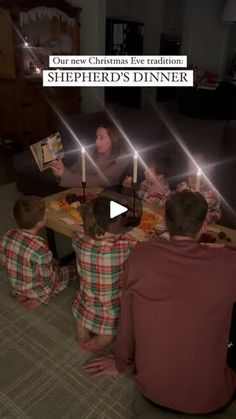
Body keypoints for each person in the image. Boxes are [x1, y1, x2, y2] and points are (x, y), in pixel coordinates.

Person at [83, 191, 236, 416]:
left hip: (150, 389)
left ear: (164, 219)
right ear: (205, 224)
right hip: (210, 399)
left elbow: (127, 320)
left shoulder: (140, 254)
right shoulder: (229, 264)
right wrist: (224, 250)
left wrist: (120, 362)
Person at [72, 197, 135, 352]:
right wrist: (127, 240)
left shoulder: (78, 240)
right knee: (112, 326)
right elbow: (136, 248)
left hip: (86, 295)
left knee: (82, 316)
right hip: (110, 302)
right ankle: (101, 340)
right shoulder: (122, 248)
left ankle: (82, 335)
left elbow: (78, 233)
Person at [0, 196, 77, 308]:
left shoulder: (7, 235)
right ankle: (38, 299)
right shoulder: (41, 251)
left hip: (17, 284)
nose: (46, 212)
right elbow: (47, 281)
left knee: (47, 265)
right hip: (37, 290)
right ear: (40, 223)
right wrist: (43, 297)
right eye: (45, 212)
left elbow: (3, 261)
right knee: (71, 270)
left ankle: (21, 292)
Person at [51, 121, 130, 188]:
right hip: (79, 190)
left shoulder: (122, 157)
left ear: (113, 139)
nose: (96, 141)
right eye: (96, 137)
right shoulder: (90, 151)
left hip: (102, 195)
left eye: (101, 138)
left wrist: (64, 174)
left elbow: (99, 181)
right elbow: (74, 171)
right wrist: (60, 171)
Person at [176, 154, 221, 222]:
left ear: (210, 177)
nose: (193, 178)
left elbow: (218, 212)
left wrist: (211, 216)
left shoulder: (213, 194)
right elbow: (174, 203)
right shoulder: (182, 187)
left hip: (202, 226)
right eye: (190, 174)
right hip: (181, 223)